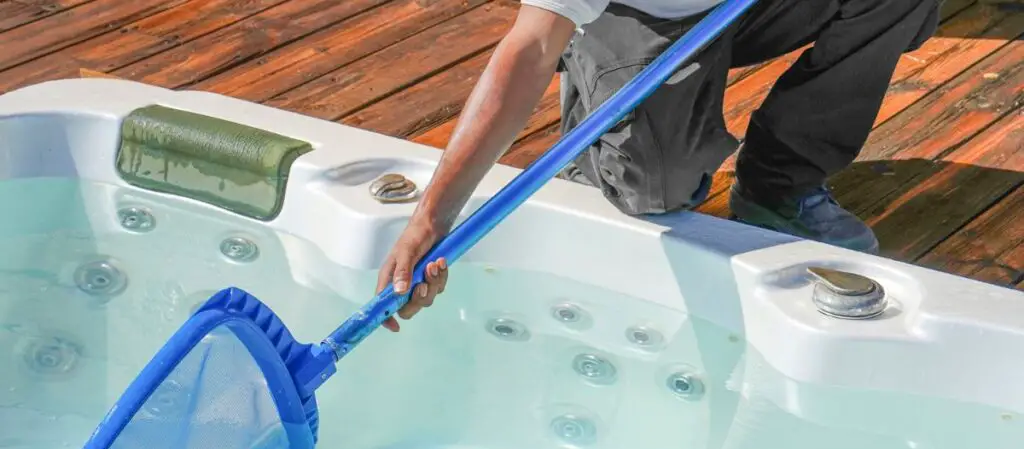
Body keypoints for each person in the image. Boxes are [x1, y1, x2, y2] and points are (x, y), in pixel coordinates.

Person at [374, 0, 941, 331]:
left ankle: (778, 185)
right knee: (652, 190)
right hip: (640, 16)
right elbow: (528, 51)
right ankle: (600, 126)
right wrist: (430, 219)